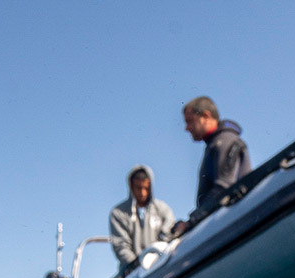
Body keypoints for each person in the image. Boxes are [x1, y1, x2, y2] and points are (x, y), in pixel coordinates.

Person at [175, 96, 251, 233]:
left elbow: (223, 188)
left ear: (206, 116)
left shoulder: (223, 142)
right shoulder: (215, 144)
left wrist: (191, 223)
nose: (186, 128)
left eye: (190, 121)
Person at [108, 164, 175, 268]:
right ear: (131, 187)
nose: (142, 193)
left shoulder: (162, 209)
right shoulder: (118, 213)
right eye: (138, 188)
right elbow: (121, 246)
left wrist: (157, 259)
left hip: (161, 264)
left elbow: (169, 233)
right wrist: (137, 264)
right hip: (133, 271)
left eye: (146, 188)